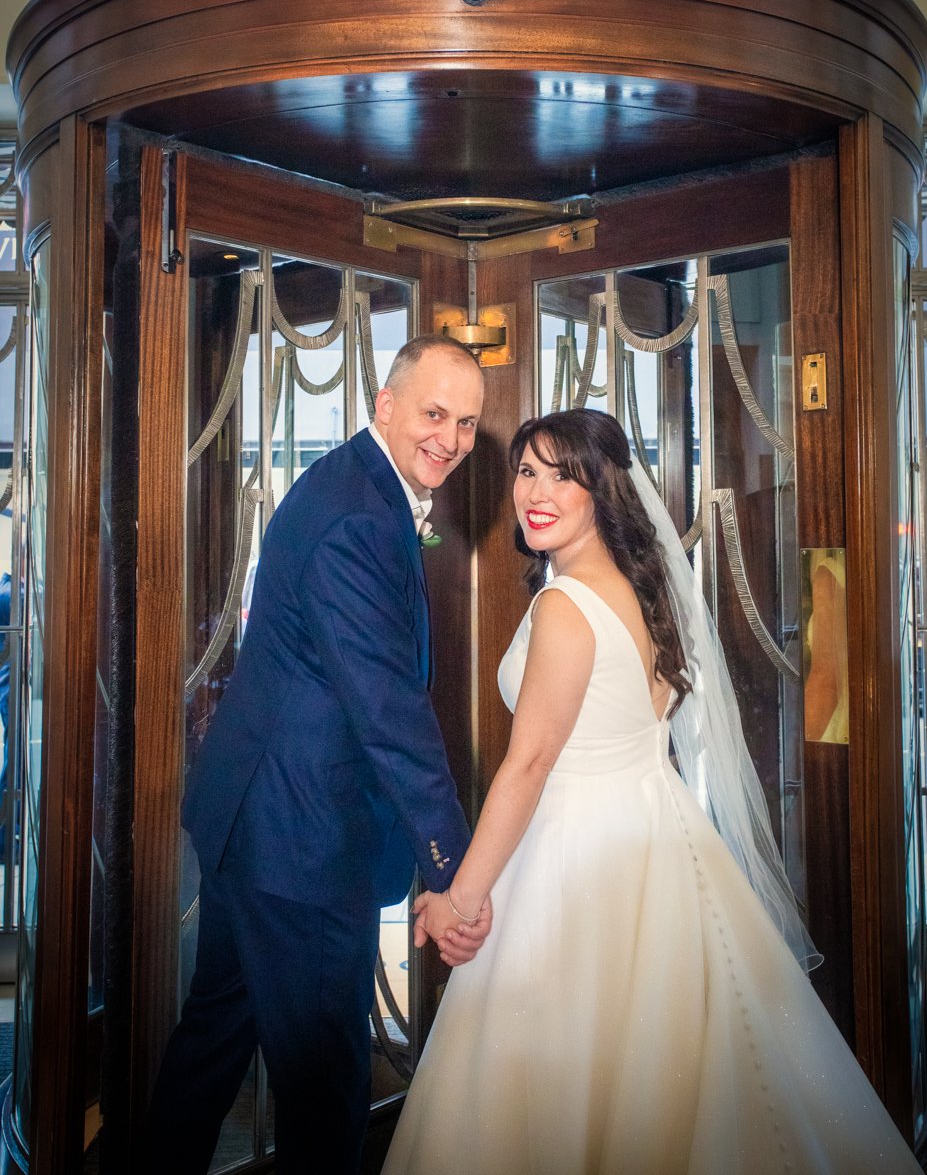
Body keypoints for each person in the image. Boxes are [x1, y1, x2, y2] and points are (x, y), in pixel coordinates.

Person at [384, 408, 920, 1175]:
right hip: (659, 838)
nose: (535, 492)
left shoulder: (565, 606)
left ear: (602, 489)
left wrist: (460, 897)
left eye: (563, 476)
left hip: (573, 857)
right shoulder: (646, 590)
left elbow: (529, 763)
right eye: (526, 472)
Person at [147, 334, 492, 1175]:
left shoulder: (361, 485)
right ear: (385, 404)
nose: (448, 438)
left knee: (216, 1038)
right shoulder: (355, 517)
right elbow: (387, 710)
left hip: (258, 819)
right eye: (433, 413)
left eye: (468, 424)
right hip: (296, 838)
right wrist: (454, 865)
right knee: (326, 1082)